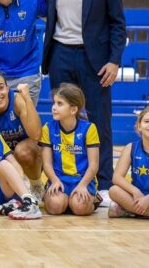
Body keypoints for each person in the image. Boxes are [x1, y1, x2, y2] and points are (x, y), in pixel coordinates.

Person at [42, 0, 127, 204]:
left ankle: (103, 185)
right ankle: (59, 181)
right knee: (61, 119)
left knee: (99, 120)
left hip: (96, 59)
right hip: (60, 54)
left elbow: (117, 22)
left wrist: (114, 61)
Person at [39, 83, 101, 216]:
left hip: (82, 179)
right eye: (54, 103)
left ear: (73, 110)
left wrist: (83, 185)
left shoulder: (89, 129)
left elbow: (94, 165)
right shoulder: (48, 128)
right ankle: (64, 201)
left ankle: (93, 198)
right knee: (55, 207)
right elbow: (47, 164)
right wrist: (55, 180)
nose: (54, 108)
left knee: (80, 208)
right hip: (59, 178)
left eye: (60, 104)